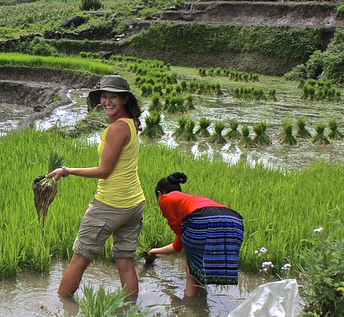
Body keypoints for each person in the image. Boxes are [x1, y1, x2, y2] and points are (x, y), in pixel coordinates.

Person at [47, 74, 145, 298]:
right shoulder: (130, 124)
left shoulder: (117, 129)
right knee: (125, 261)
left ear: (125, 100)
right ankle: (130, 313)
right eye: (104, 96)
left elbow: (105, 171)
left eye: (114, 97)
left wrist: (67, 171)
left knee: (80, 258)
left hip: (111, 203)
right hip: (134, 203)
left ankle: (61, 309)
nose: (107, 102)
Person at [146, 172, 244, 298]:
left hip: (202, 218)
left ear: (159, 194)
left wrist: (153, 253)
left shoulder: (166, 199)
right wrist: (154, 251)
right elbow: (180, 243)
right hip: (234, 222)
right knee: (201, 268)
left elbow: (180, 240)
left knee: (191, 271)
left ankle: (189, 308)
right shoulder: (192, 200)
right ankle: (200, 303)